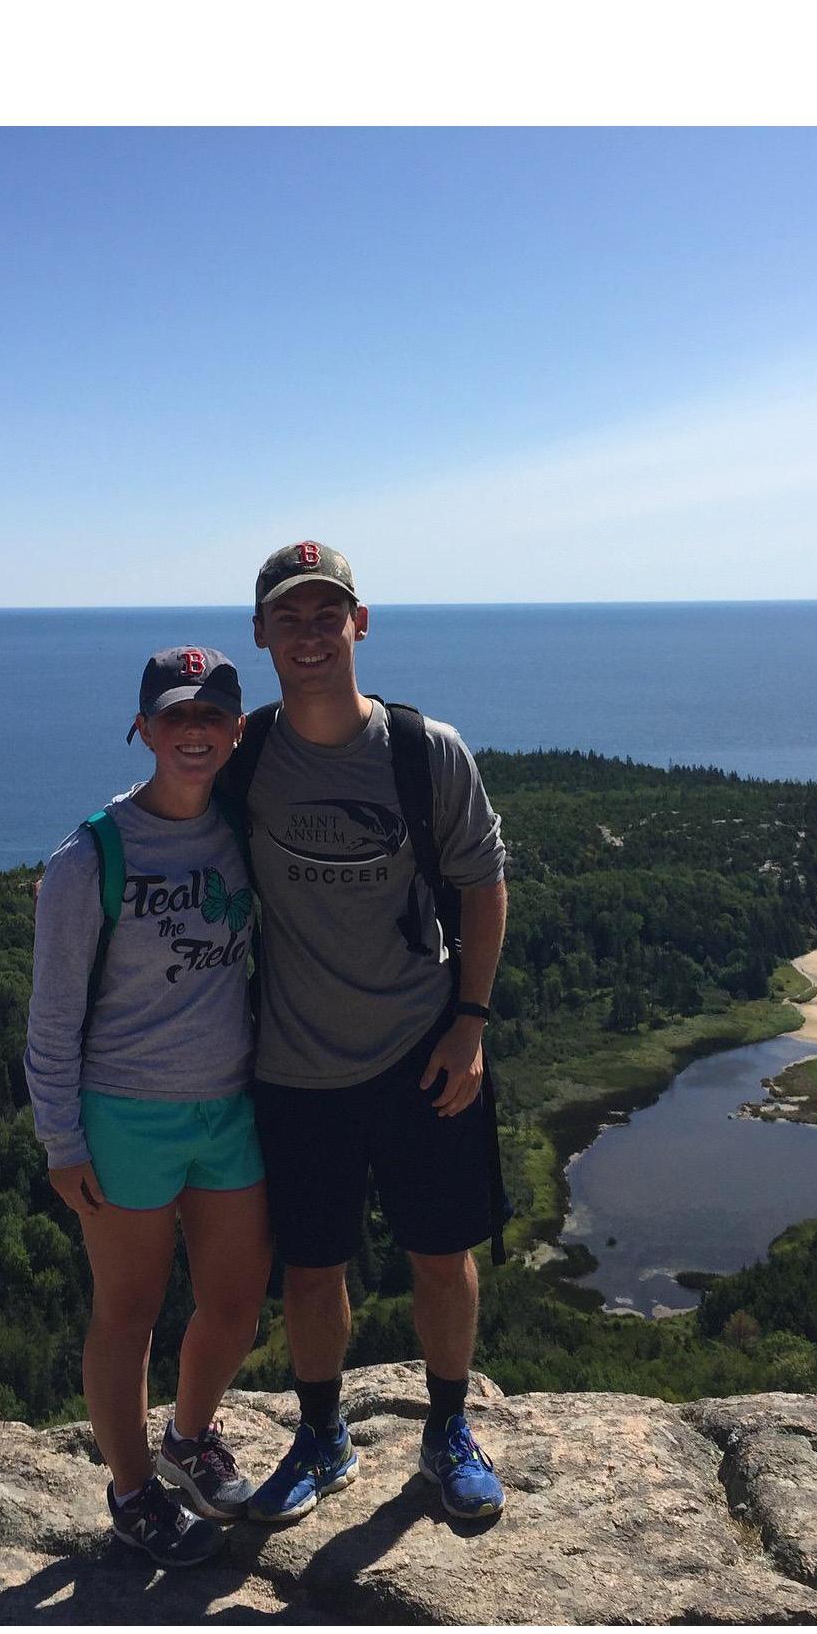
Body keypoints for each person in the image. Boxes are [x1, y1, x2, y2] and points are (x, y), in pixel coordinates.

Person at [224, 540, 511, 1524]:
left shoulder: (424, 752)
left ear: (360, 621)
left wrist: (468, 1024)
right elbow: (168, 828)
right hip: (295, 1062)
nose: (309, 632)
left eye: (325, 611)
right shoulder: (246, 757)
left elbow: (482, 885)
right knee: (312, 1265)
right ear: (260, 633)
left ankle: (445, 1427)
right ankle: (321, 1434)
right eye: (288, 616)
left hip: (421, 1049)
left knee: (441, 1250)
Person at [24, 645, 273, 1568]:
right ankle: (131, 1494)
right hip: (125, 1115)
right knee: (127, 1316)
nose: (195, 731)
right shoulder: (90, 858)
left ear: (238, 729)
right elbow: (50, 1017)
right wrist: (62, 1139)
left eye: (212, 715)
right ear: (143, 729)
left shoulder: (245, 832)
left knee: (236, 1302)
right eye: (175, 717)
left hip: (228, 1108)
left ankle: (188, 1441)